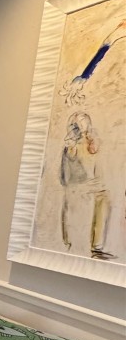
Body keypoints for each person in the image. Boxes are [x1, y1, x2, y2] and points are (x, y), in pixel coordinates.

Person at [60, 111, 113, 260]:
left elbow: (96, 163)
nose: (83, 124)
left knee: (104, 197)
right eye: (79, 122)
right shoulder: (71, 142)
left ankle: (97, 246)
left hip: (93, 185)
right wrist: (71, 146)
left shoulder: (92, 139)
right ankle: (76, 245)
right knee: (97, 197)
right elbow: (67, 175)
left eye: (84, 121)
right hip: (78, 186)